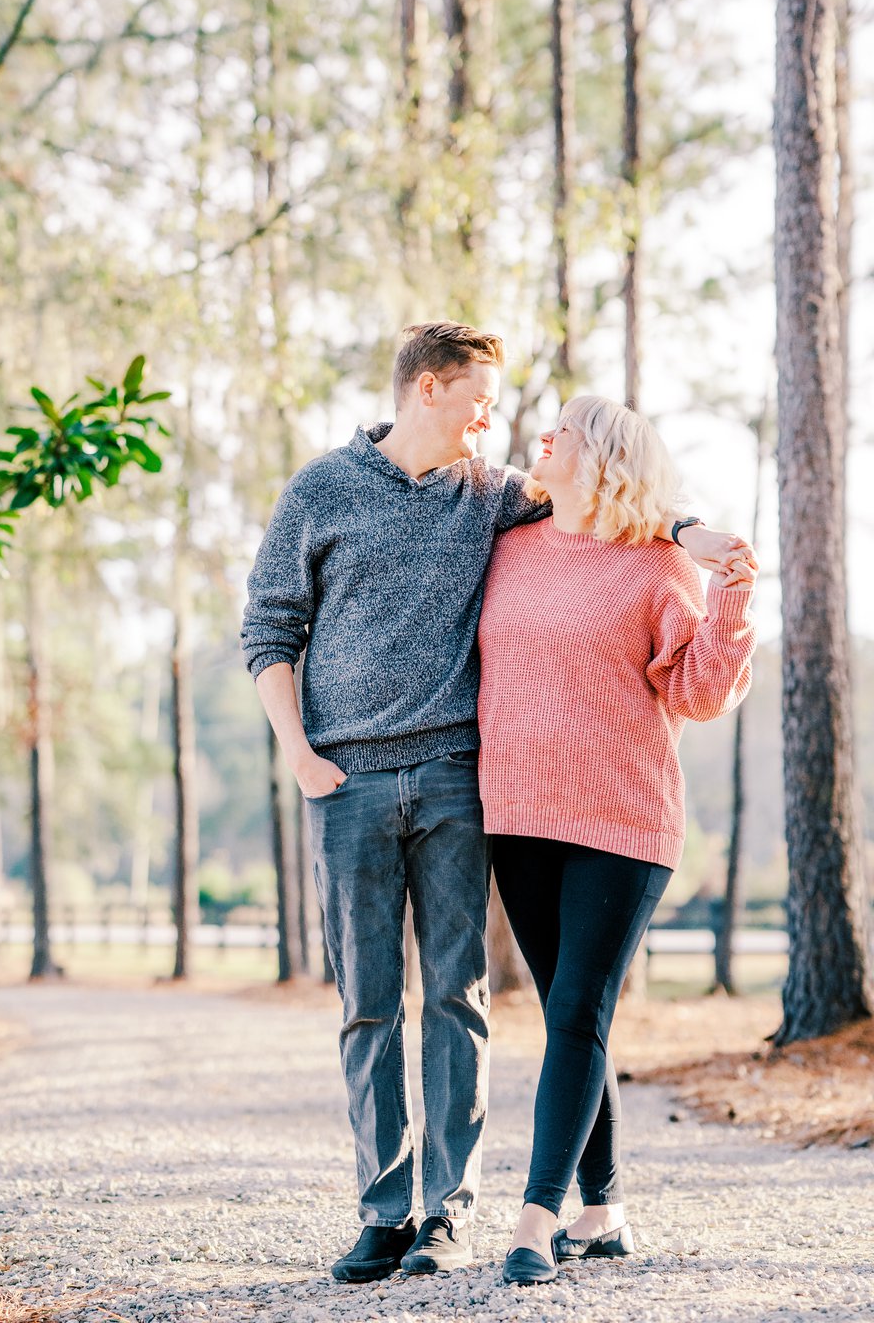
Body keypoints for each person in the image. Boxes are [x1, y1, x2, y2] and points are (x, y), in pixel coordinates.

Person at [240, 325, 751, 1284]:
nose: (499, 420)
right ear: (428, 389)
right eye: (481, 398)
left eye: (517, 413)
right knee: (372, 1006)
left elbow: (622, 490)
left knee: (467, 1000)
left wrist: (692, 536)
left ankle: (461, 1218)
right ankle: (394, 1210)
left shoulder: (495, 496)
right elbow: (268, 623)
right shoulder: (333, 492)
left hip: (466, 782)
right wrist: (300, 756)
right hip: (361, 781)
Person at [476, 394, 757, 1286]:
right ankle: (603, 1209)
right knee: (570, 1009)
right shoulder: (506, 543)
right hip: (516, 814)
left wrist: (732, 593)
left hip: (622, 819)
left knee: (573, 1011)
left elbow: (701, 695)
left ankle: (534, 1218)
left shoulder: (655, 570)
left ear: (598, 457)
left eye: (562, 430)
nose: (542, 438)